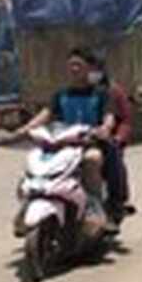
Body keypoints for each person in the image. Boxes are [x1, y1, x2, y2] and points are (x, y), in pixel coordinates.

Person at [15, 47, 117, 229]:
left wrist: (105, 128)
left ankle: (95, 207)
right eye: (71, 65)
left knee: (92, 160)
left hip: (88, 144)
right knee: (34, 162)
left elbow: (109, 116)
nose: (74, 69)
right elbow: (46, 114)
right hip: (61, 145)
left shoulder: (101, 93)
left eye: (79, 65)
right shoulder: (61, 95)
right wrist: (27, 128)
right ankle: (28, 203)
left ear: (89, 68)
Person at [94, 57, 134, 224]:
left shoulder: (113, 92)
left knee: (113, 159)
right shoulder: (75, 92)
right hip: (79, 140)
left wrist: (117, 137)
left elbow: (125, 119)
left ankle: (115, 204)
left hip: (106, 140)